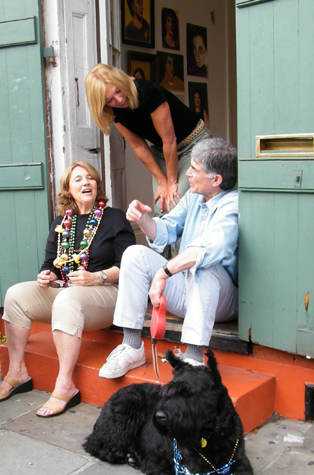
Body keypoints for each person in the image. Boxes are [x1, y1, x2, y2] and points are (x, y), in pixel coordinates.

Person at [0, 162, 136, 417]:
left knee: (67, 299)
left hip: (108, 291)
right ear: (68, 189)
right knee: (15, 294)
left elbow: (129, 267)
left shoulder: (114, 217)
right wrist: (48, 275)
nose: (86, 182)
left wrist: (96, 277)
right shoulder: (62, 222)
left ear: (97, 184)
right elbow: (51, 265)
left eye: (90, 177)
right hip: (69, 293)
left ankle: (65, 384)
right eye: (78, 179)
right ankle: (17, 372)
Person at [98, 138, 238, 378]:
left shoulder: (234, 204)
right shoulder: (195, 196)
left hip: (219, 302)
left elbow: (207, 249)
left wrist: (164, 272)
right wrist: (144, 220)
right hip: (185, 291)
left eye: (195, 169)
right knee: (133, 253)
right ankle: (131, 346)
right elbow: (168, 228)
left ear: (216, 180)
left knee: (202, 264)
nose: (189, 174)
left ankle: (194, 360)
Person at [86, 63, 209, 218]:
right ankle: (162, 243)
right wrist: (162, 181)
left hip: (193, 143)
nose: (119, 99)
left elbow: (169, 139)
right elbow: (138, 146)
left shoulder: (147, 91)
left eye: (118, 90)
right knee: (161, 208)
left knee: (175, 204)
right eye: (110, 99)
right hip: (163, 151)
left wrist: (171, 183)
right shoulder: (114, 112)